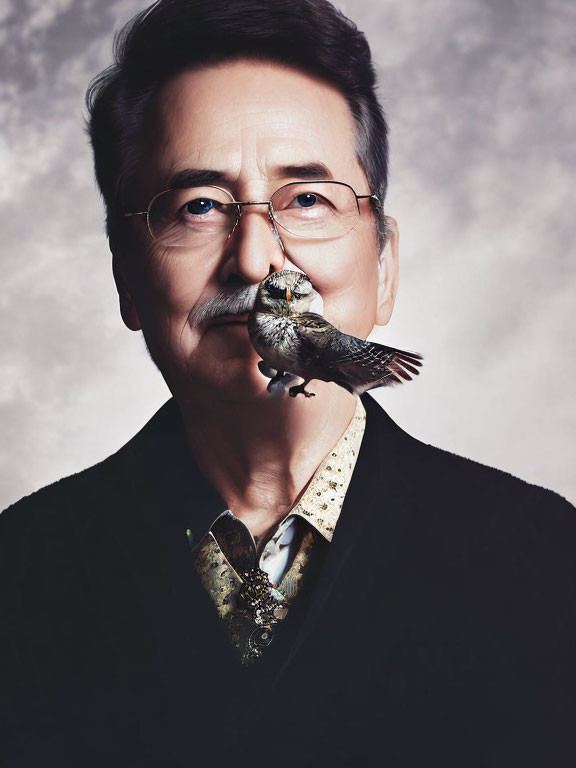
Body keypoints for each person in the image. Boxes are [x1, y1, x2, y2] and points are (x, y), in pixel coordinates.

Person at [1, 0, 574, 765]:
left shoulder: (546, 565)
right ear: (127, 282)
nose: (258, 260)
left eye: (308, 199)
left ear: (385, 266)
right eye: (198, 206)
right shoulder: (21, 576)